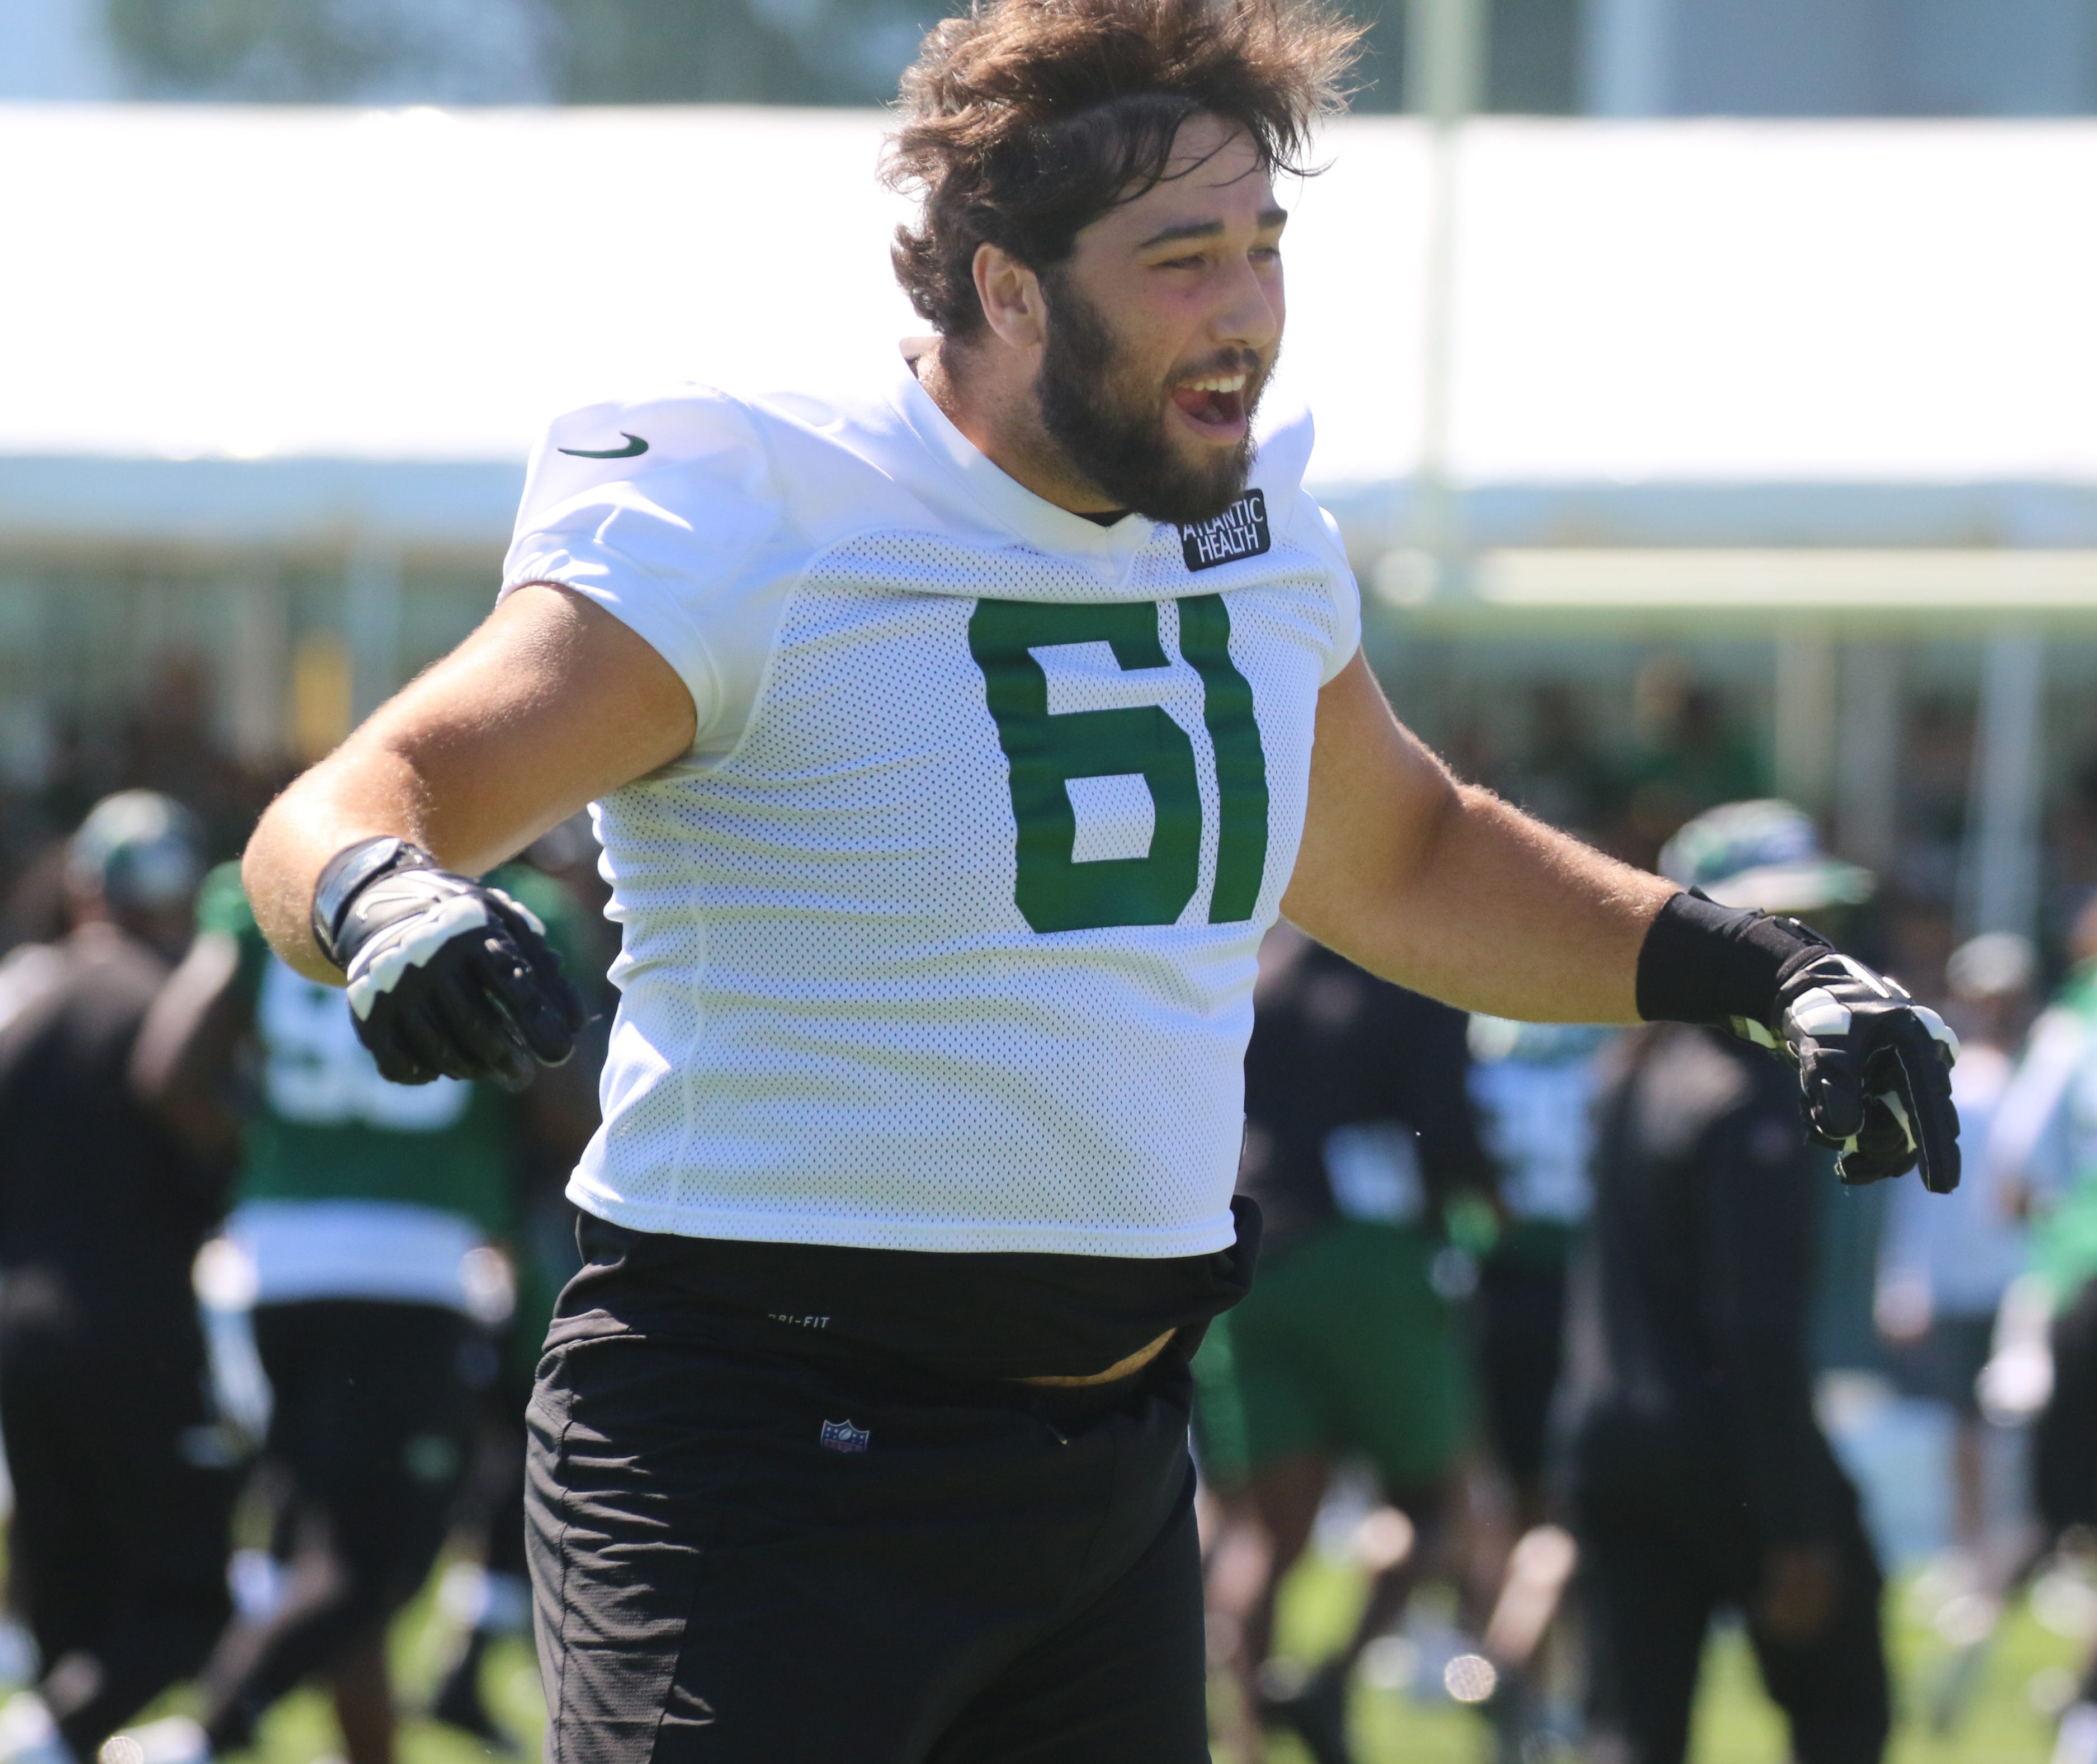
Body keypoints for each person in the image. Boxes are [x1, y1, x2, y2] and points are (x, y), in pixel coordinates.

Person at [228, 3, 1959, 1756]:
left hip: (1107, 1462)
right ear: (1005, 288)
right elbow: (351, 801)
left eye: (1263, 249)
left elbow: (1407, 855)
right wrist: (385, 899)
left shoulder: (1251, 532)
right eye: (1181, 260)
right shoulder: (763, 512)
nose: (1245, 311)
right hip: (758, 1447)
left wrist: (1766, 970)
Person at [123, 858, 589, 1764]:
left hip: (275, 1260)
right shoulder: (521, 902)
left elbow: (173, 1069)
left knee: (323, 1541)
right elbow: (566, 1112)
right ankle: (196, 1732)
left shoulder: (282, 886)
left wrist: (278, 1157)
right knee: (375, 1558)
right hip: (416, 1262)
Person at [1561, 801, 1893, 1764]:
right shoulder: (1749, 1093)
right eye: (1777, 926)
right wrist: (1794, 1522)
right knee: (1843, 1708)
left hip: (1609, 1438)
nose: (1804, 952)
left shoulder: (1629, 1068)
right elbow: (1754, 1322)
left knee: (1628, 1732)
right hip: (1727, 1452)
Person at [1193, 926, 1491, 1764]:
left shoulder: (1254, 966)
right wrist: (1485, 1197)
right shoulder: (1409, 968)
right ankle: (1329, 1680)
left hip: (1247, 1254)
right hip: (1368, 1255)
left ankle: (1244, 1743)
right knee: (1430, 1505)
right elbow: (1448, 1127)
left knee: (1262, 1532)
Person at [0, 793, 237, 1764]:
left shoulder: (20, 993)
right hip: (135, 1325)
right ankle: (46, 1738)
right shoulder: (174, 1005)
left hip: (19, 1326)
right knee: (190, 1598)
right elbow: (211, 1155)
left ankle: (54, 1731)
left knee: (65, 1593)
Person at [1873, 931, 2034, 1554]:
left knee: (2029, 1419)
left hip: (2030, 1276)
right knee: (1966, 1422)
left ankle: (2028, 1546)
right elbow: (1916, 1190)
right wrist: (1904, 1277)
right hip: (1963, 1279)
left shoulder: (2049, 1065)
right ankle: (1972, 1549)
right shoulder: (1947, 1074)